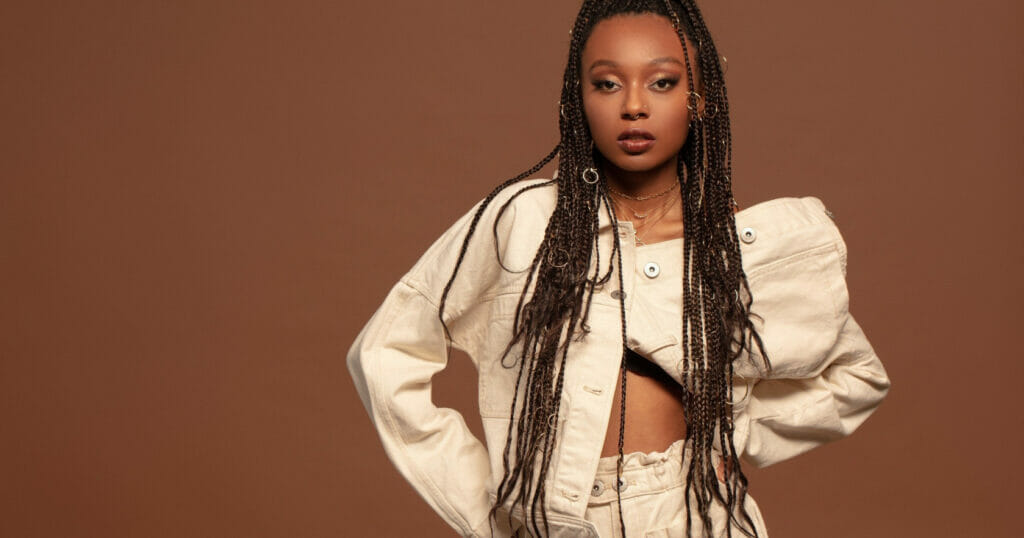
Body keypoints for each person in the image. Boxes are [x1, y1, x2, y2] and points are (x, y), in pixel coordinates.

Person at [346, 1, 891, 537]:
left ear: (699, 99)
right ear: (577, 99)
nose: (633, 106)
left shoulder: (736, 248)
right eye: (607, 84)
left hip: (699, 514)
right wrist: (483, 507)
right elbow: (385, 353)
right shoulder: (523, 221)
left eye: (662, 82)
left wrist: (734, 432)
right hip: (560, 518)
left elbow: (856, 376)